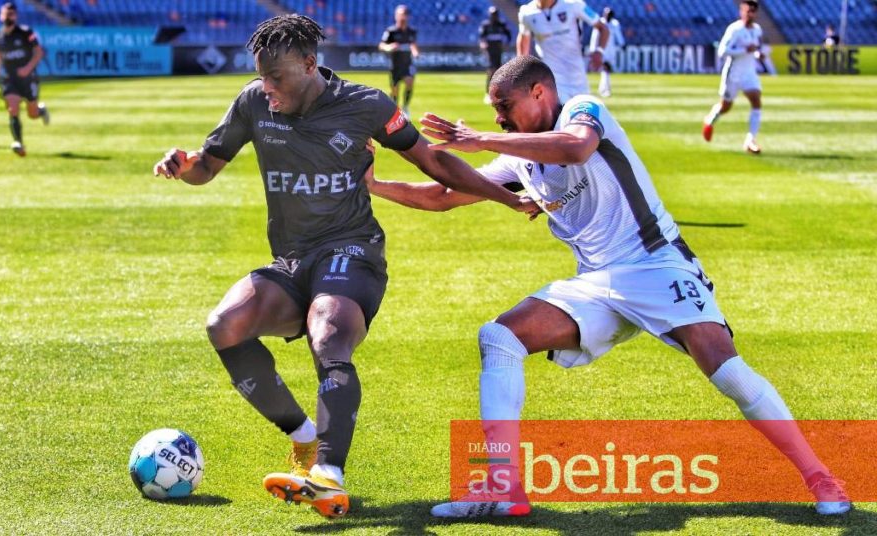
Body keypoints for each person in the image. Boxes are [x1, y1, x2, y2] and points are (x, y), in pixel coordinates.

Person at [365, 55, 852, 518]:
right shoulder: (520, 158)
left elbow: (576, 147)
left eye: (505, 106)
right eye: (495, 111)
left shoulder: (582, 109)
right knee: (500, 337)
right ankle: (502, 488)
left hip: (656, 263)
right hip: (596, 282)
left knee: (726, 371)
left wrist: (484, 141)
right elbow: (443, 194)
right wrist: (376, 186)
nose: (499, 119)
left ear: (540, 92)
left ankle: (821, 478)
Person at [151, 15, 535, 520]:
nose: (267, 89)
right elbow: (207, 165)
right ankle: (304, 437)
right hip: (292, 260)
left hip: (353, 250)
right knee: (224, 325)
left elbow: (436, 164)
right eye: (261, 77)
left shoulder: (366, 104)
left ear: (310, 65)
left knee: (327, 331)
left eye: (276, 78)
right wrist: (184, 166)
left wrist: (506, 198)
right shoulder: (253, 102)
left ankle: (328, 474)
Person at [517, 0, 610, 103]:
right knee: (560, 111)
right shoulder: (526, 13)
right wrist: (521, 67)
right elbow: (524, 38)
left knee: (583, 111)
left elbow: (603, 28)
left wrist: (599, 52)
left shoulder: (573, 5)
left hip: (578, 78)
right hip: (552, 79)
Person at [702, 0, 764, 154]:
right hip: (733, 74)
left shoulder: (757, 30)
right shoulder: (734, 29)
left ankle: (750, 141)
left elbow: (755, 49)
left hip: (749, 73)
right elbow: (722, 51)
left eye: (753, 11)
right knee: (725, 107)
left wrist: (757, 54)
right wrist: (744, 50)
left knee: (756, 102)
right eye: (747, 11)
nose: (750, 14)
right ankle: (710, 120)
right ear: (741, 12)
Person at [0, 2, 49, 157]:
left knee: (32, 114)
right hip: (10, 78)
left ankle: (41, 111)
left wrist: (27, 68)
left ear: (15, 16)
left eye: (10, 14)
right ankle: (18, 143)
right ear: (0, 16)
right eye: (5, 14)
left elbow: (38, 52)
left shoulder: (25, 32)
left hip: (28, 78)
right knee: (12, 108)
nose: (7, 17)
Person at [378, 5, 419, 117]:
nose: (402, 17)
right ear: (396, 16)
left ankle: (405, 107)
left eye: (404, 15)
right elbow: (381, 45)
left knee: (409, 82)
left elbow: (413, 44)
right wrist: (389, 47)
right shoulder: (391, 31)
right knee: (395, 90)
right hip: (395, 65)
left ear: (408, 16)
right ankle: (395, 109)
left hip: (407, 64)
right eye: (400, 14)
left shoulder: (412, 31)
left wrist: (415, 52)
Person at [479, 6, 512, 104]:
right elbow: (482, 37)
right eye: (492, 15)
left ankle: (498, 93)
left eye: (495, 14)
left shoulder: (501, 24)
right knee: (491, 70)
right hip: (490, 50)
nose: (494, 16)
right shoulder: (486, 25)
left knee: (498, 70)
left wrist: (506, 44)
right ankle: (488, 93)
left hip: (498, 49)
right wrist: (483, 44)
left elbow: (508, 34)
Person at [589, 6, 624, 97]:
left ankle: (603, 89)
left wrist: (622, 43)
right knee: (605, 68)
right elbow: (594, 36)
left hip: (611, 49)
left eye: (610, 15)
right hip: (601, 49)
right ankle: (605, 90)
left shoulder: (615, 24)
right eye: (607, 15)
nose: (608, 17)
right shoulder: (600, 23)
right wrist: (593, 49)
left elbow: (618, 34)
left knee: (607, 70)